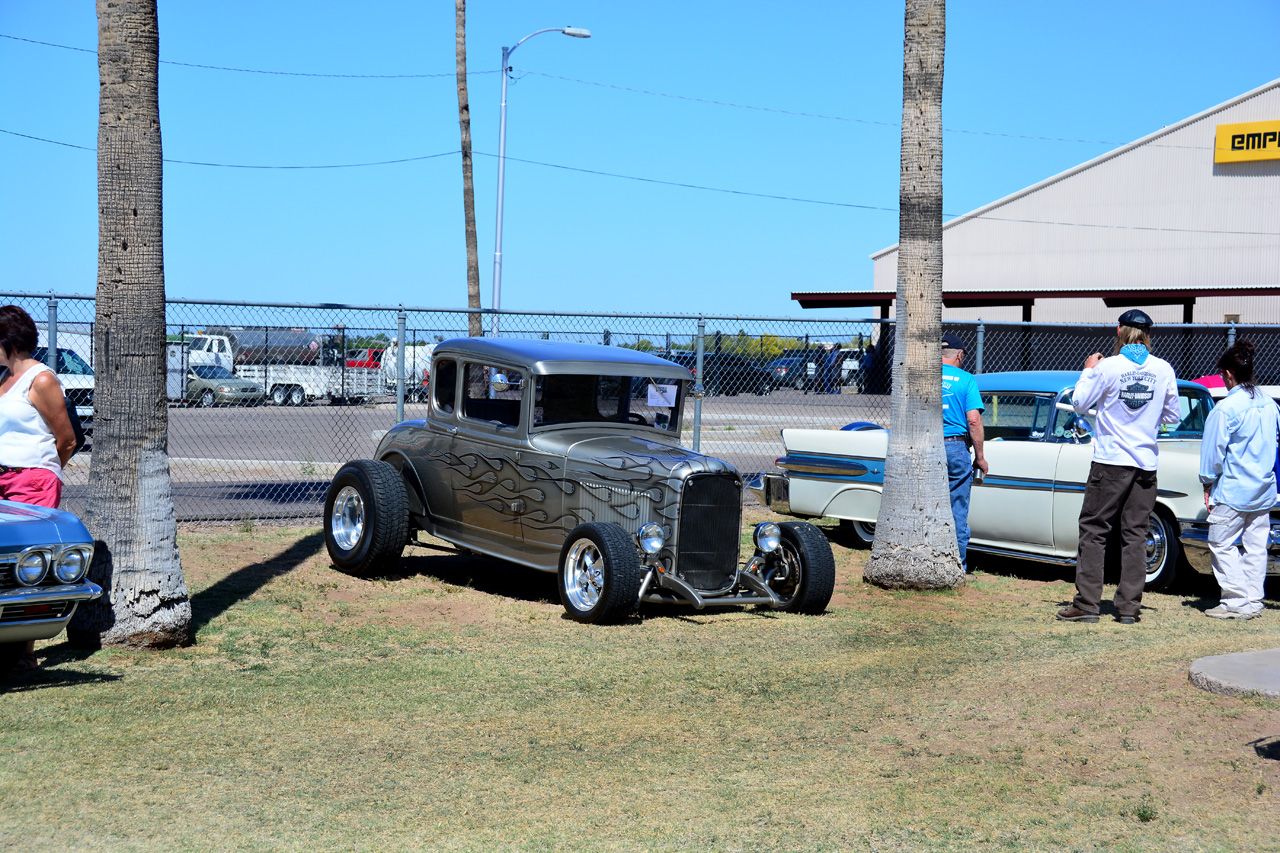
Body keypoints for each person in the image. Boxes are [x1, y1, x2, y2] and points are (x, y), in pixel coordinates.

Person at [1057, 309, 1180, 625]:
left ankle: (1087, 604)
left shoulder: (1107, 367)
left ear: (1118, 332)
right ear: (1148, 335)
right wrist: (1145, 420)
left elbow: (1081, 403)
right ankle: (1128, 608)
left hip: (1111, 461)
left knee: (1095, 529)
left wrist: (1088, 371)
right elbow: (1172, 416)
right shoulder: (1163, 369)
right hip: (1145, 464)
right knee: (1136, 534)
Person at [0, 305, 79, 674]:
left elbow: (67, 439)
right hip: (3, 478)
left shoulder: (42, 380)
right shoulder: (6, 379)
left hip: (32, 479)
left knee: (29, 565)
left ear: (7, 341)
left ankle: (25, 655)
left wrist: (44, 477)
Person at [1198, 339, 1277, 620]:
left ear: (1229, 374)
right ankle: (1253, 598)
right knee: (1256, 545)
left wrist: (1207, 481)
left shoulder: (1224, 409)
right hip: (1264, 488)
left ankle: (1235, 600)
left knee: (1221, 542)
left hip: (1233, 489)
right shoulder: (1270, 405)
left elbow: (1212, 456)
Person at [941, 333, 987, 571]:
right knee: (957, 508)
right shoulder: (967, 379)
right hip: (955, 446)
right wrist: (980, 458)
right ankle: (956, 566)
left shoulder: (926, 377)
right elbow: (974, 421)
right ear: (959, 355)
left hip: (926, 448)